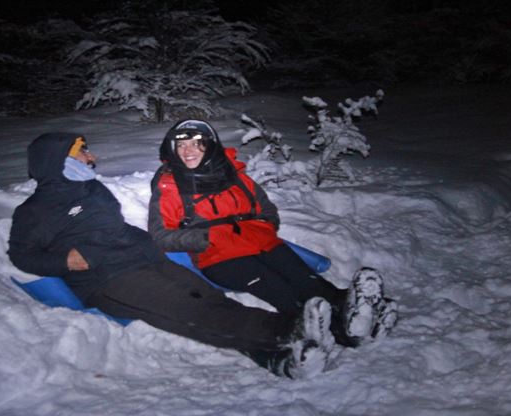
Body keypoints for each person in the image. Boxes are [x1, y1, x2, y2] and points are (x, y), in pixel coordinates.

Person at [8, 132, 333, 379]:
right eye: (83, 152)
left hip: (146, 260)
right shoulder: (35, 212)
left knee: (211, 300)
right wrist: (63, 262)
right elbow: (22, 256)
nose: (92, 157)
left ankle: (279, 360)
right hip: (108, 279)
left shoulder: (93, 190)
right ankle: (287, 330)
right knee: (189, 310)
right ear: (59, 161)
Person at [149, 118, 396, 349]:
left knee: (307, 280)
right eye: (181, 145)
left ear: (210, 147)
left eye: (196, 144)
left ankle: (360, 311)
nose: (187, 151)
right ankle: (340, 333)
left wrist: (264, 226)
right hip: (220, 256)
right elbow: (161, 235)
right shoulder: (169, 187)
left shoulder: (233, 175)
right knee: (279, 289)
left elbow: (265, 207)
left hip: (261, 242)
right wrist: (206, 238)